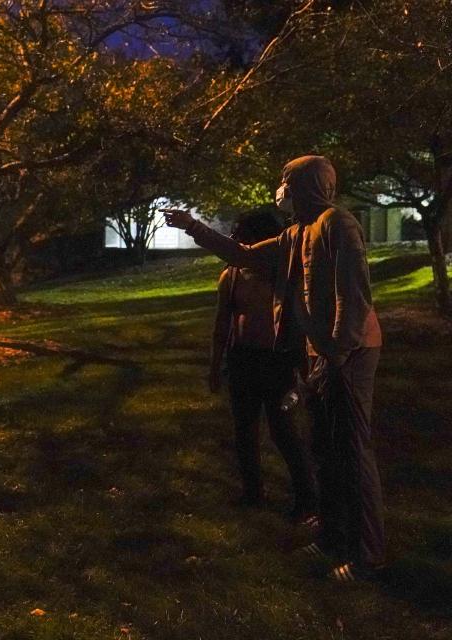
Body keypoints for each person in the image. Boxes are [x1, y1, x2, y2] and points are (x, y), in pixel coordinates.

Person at [164, 155, 385, 581]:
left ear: (307, 184)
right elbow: (241, 254)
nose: (280, 188)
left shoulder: (337, 225)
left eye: (286, 180)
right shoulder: (294, 234)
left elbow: (352, 296)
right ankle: (333, 537)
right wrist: (193, 227)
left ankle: (367, 554)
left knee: (352, 453)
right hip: (320, 356)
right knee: (324, 449)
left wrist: (336, 354)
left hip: (348, 354)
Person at [209, 211, 317, 522]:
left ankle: (306, 499)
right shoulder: (230, 277)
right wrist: (216, 364)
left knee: (283, 431)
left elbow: (299, 322)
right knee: (245, 431)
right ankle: (253, 494)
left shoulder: (282, 275)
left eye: (240, 235)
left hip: (276, 362)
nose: (234, 241)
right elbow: (222, 322)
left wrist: (304, 367)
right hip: (242, 360)